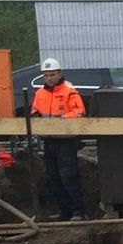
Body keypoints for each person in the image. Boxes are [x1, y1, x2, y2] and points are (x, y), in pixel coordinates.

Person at [29, 60, 86, 219]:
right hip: (49, 141)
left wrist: (60, 119)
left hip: (66, 141)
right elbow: (35, 111)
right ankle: (64, 211)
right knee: (54, 177)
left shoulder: (70, 91)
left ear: (60, 73)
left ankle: (78, 211)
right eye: (46, 75)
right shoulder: (40, 93)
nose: (49, 78)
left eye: (52, 74)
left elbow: (79, 113)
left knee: (69, 177)